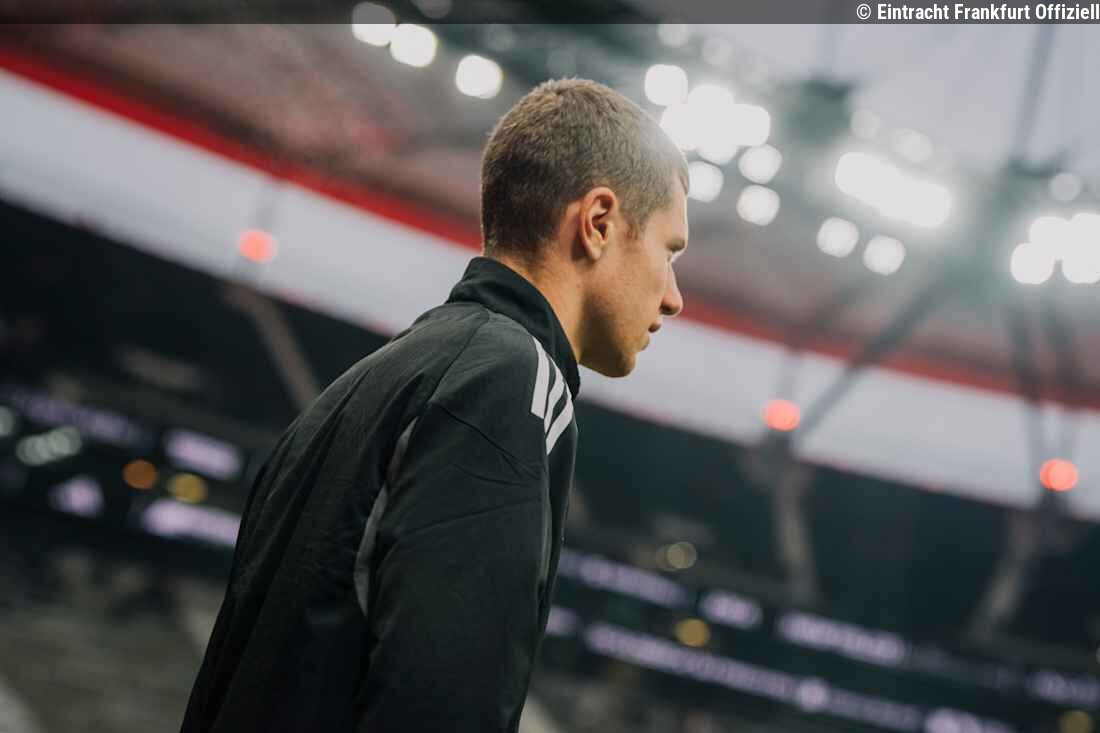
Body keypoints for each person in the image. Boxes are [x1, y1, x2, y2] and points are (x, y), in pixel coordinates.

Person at [180, 77, 689, 733]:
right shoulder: (512, 378)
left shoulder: (364, 384)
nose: (673, 297)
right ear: (598, 224)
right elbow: (442, 698)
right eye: (669, 252)